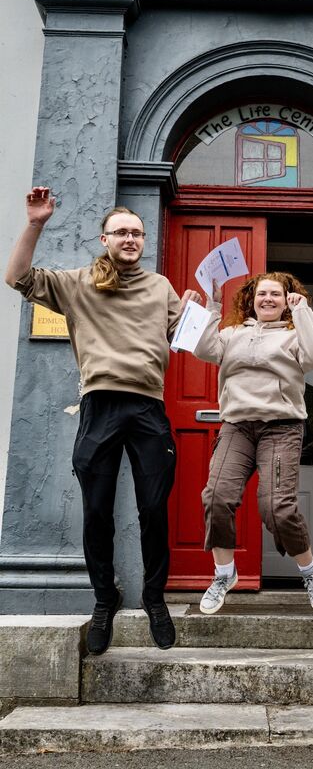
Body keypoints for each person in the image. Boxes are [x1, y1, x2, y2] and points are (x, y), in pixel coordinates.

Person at [5, 186, 201, 654]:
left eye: (137, 232)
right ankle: (103, 600)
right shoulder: (78, 284)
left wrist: (196, 310)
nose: (131, 238)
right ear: (104, 239)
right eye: (121, 232)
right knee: (96, 511)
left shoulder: (159, 286)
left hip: (148, 407)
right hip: (100, 405)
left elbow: (185, 340)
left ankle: (154, 599)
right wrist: (35, 222)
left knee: (153, 509)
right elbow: (17, 277)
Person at [193, 272, 313, 614]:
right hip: (237, 426)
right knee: (216, 496)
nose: (268, 299)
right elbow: (202, 349)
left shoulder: (294, 333)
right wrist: (211, 304)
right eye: (262, 294)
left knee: (276, 507)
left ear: (287, 300)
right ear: (251, 299)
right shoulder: (232, 334)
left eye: (276, 294)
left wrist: (303, 314)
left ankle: (311, 570)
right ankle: (224, 573)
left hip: (281, 427)